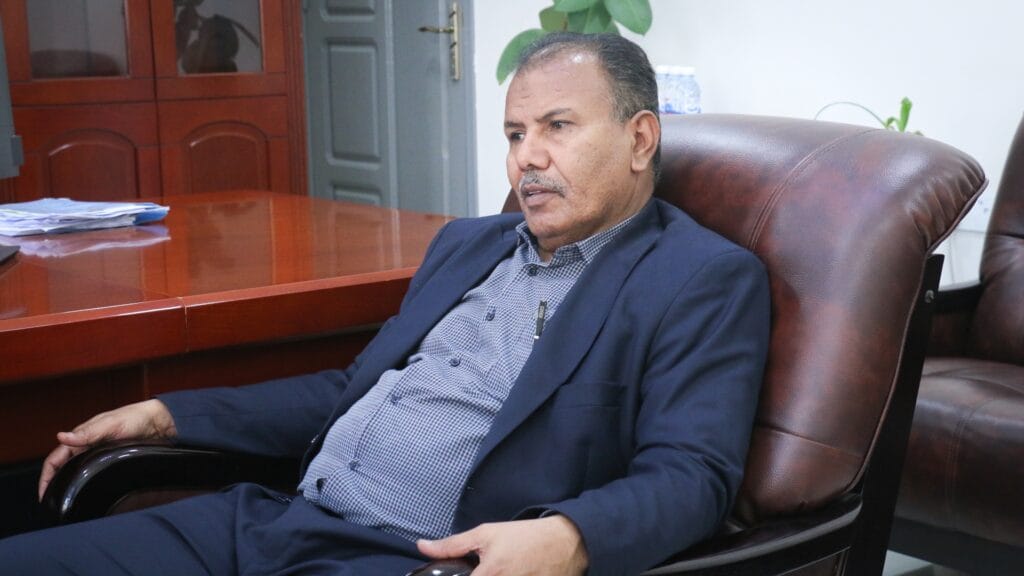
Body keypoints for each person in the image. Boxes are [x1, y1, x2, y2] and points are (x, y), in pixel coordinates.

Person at [0, 32, 770, 576]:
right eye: (514, 134)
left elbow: (692, 475)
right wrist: (166, 416)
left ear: (641, 138)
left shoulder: (698, 278)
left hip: (409, 559)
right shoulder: (468, 244)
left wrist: (571, 538)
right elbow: (350, 389)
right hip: (272, 521)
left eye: (558, 127)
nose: (527, 157)